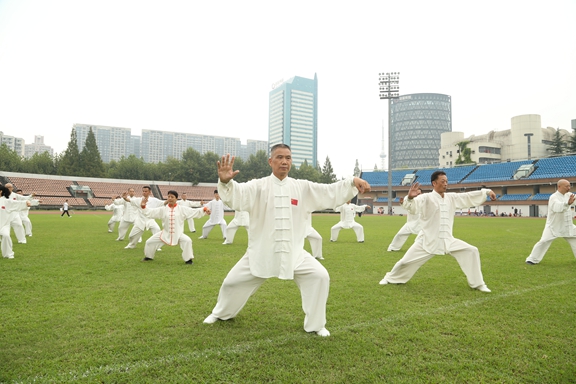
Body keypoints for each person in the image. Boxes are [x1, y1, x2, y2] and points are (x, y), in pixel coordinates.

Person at [203, 144, 371, 337]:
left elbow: (329, 192)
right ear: (270, 161)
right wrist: (225, 183)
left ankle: (316, 325)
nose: (284, 161)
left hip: (295, 253)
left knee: (319, 276)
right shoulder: (258, 186)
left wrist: (352, 182)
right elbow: (237, 196)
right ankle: (221, 313)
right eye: (280, 157)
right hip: (260, 252)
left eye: (288, 158)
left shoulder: (302, 187)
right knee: (231, 283)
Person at [379, 171, 495, 292]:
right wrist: (410, 198)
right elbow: (413, 208)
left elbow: (467, 196)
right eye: (442, 181)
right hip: (427, 240)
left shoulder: (451, 197)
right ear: (434, 183)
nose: (445, 184)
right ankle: (390, 278)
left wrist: (486, 191)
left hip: (448, 240)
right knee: (404, 262)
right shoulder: (425, 197)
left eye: (446, 181)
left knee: (472, 251)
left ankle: (478, 283)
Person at [138, 190, 209, 264]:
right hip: (165, 234)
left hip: (178, 234)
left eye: (172, 197)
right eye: (168, 197)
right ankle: (148, 257)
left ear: (176, 199)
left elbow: (193, 211)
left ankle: (188, 260)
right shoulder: (163, 209)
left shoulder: (182, 209)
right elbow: (150, 212)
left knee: (188, 241)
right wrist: (143, 206)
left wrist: (204, 209)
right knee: (149, 242)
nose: (170, 198)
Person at [525, 179, 576, 265]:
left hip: (568, 226)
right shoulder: (553, 197)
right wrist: (567, 203)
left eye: (569, 186)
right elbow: (557, 208)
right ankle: (532, 259)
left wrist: (570, 202)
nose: (569, 187)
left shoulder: (570, 195)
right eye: (566, 186)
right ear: (559, 186)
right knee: (544, 241)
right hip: (553, 226)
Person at [0, 185, 38, 259]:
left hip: (4, 224)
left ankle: (8, 254)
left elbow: (18, 203)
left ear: (0, 191)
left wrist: (26, 203)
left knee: (6, 235)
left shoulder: (6, 201)